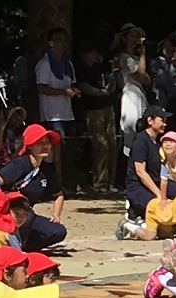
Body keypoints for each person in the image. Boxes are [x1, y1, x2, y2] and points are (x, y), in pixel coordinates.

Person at [0, 125, 67, 252]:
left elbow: (59, 194)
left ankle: (24, 246)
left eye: (47, 142)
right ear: (29, 146)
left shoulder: (48, 170)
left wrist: (56, 215)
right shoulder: (19, 164)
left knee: (58, 231)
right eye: (39, 142)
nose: (45, 146)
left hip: (27, 214)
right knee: (26, 216)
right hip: (8, 213)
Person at [119, 105, 174, 240]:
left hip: (155, 182)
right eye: (162, 120)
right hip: (138, 187)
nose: (165, 124)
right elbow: (141, 172)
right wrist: (159, 195)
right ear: (150, 121)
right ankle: (129, 221)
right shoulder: (141, 142)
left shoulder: (156, 142)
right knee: (160, 207)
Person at [33, 28, 78, 190]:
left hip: (67, 113)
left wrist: (73, 91)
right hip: (52, 114)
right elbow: (41, 88)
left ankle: (66, 184)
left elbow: (71, 83)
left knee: (68, 151)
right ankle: (55, 185)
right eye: (58, 40)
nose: (62, 43)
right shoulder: (44, 64)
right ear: (51, 43)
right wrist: (63, 92)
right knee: (55, 152)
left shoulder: (68, 64)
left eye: (64, 40)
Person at [74, 43, 118, 193]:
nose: (94, 55)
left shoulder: (99, 66)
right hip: (92, 110)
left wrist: (110, 87)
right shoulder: (80, 69)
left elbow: (109, 80)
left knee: (112, 143)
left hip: (107, 107)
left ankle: (111, 181)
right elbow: (85, 87)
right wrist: (101, 93)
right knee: (101, 145)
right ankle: (100, 182)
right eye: (91, 52)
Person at [112, 24, 150, 153]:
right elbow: (139, 75)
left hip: (139, 94)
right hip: (130, 94)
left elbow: (146, 80)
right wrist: (143, 54)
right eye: (132, 36)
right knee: (130, 126)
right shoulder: (122, 57)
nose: (135, 40)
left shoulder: (135, 58)